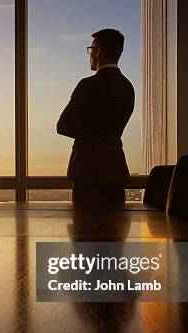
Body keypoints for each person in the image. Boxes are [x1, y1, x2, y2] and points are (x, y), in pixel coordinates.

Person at [57, 28, 135, 209]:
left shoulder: (88, 85)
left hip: (87, 173)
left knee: (84, 231)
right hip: (115, 171)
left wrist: (84, 130)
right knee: (115, 231)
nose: (90, 55)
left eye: (91, 49)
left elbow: (63, 126)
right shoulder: (127, 88)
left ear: (98, 52)